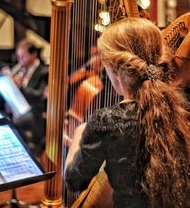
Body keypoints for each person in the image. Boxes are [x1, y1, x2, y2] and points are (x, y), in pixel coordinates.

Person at [65, 18, 190, 208]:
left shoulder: (107, 121)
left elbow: (75, 181)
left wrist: (78, 136)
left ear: (115, 71)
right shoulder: (182, 112)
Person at [11, 38, 48, 155]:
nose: (19, 61)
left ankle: (24, 150)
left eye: (22, 56)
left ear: (34, 54)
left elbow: (40, 96)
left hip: (36, 111)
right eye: (18, 57)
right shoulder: (23, 70)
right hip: (23, 107)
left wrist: (20, 87)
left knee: (15, 122)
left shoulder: (44, 71)